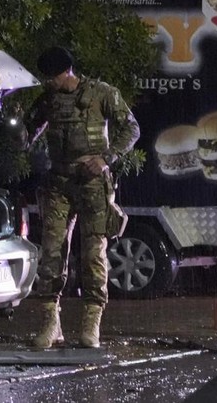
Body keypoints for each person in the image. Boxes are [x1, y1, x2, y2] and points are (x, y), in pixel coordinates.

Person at [19, 46, 140, 348]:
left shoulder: (101, 93)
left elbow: (131, 128)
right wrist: (16, 126)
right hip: (58, 183)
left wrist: (106, 158)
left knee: (92, 255)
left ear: (66, 72)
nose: (48, 83)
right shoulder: (48, 99)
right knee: (51, 253)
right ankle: (51, 323)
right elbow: (26, 135)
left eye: (52, 77)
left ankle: (91, 325)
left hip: (92, 183)